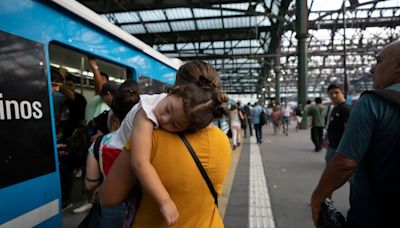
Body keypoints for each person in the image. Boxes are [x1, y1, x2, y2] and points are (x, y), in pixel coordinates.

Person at [100, 61, 231, 227]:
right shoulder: (223, 141)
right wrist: (164, 200)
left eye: (175, 125)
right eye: (168, 110)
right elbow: (140, 163)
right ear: (175, 91)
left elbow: (109, 197)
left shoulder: (155, 137)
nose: (163, 119)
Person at [311, 40, 400, 227]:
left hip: (373, 214)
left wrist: (318, 198)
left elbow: (345, 163)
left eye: (379, 61)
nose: (372, 69)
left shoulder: (372, 103)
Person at [82, 80, 140, 225]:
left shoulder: (100, 144)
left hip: (111, 207)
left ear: (115, 113)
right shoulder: (153, 141)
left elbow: (90, 185)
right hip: (143, 206)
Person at [323, 83, 350, 165]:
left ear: (342, 93)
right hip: (333, 146)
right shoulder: (336, 108)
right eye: (331, 93)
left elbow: (348, 130)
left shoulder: (345, 109)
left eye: (336, 92)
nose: (333, 95)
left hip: (340, 149)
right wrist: (327, 138)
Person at [85, 57, 111, 124]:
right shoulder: (94, 98)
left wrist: (95, 67)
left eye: (102, 80)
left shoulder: (106, 96)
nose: (99, 82)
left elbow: (100, 88)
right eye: (97, 79)